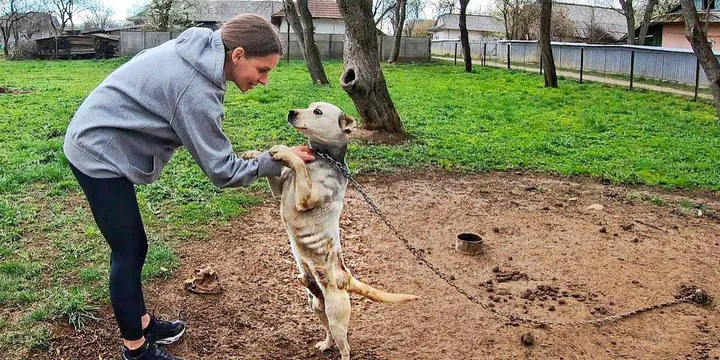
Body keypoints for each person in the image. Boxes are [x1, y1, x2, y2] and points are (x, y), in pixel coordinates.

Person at [63, 14, 314, 360]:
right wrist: (273, 161)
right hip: (96, 150)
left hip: (101, 134)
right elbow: (222, 171)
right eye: (263, 70)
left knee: (134, 246)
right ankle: (135, 351)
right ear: (238, 55)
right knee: (129, 251)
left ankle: (143, 322)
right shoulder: (195, 89)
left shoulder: (197, 49)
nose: (265, 81)